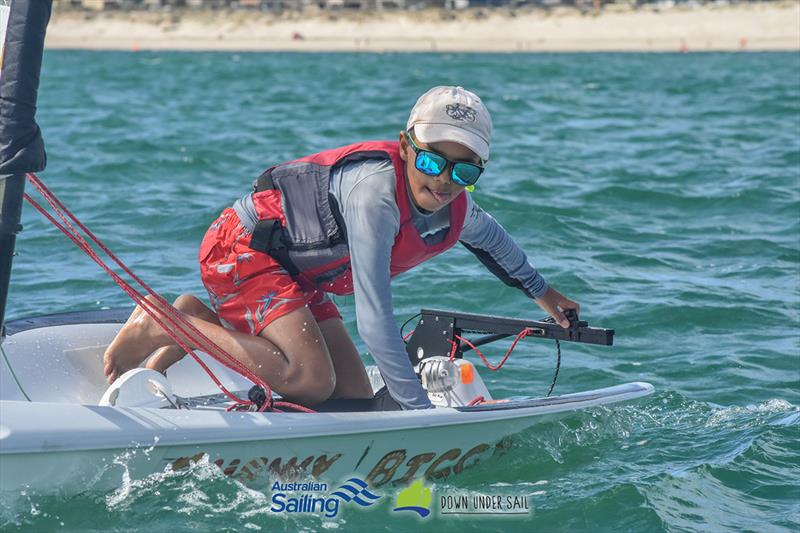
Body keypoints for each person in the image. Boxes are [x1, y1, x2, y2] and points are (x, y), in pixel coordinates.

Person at [103, 86, 579, 409]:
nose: (444, 179)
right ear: (406, 146)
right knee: (310, 380)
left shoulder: (457, 207)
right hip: (244, 248)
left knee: (349, 398)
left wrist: (546, 295)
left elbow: (496, 243)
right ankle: (170, 324)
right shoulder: (375, 197)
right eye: (433, 159)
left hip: (294, 272)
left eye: (464, 171)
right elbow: (375, 319)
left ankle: (197, 319)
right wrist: (415, 411)